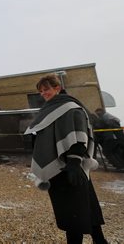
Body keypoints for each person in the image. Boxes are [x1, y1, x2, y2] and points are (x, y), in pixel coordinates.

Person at [24, 74, 107, 244]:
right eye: (40, 91)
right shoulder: (50, 109)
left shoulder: (70, 107)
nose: (43, 93)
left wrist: (74, 162)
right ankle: (100, 241)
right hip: (60, 169)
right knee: (85, 207)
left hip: (71, 167)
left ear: (57, 88)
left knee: (73, 212)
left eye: (46, 89)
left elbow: (79, 134)